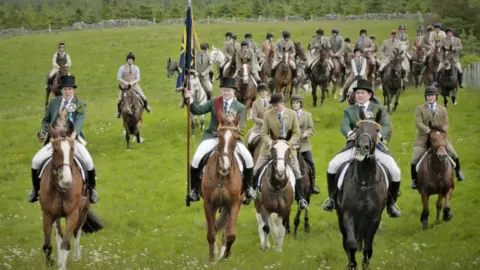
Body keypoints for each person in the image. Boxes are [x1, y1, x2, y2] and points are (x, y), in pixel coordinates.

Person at [322, 79, 401, 218]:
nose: (359, 95)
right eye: (357, 93)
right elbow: (344, 125)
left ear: (369, 95)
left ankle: (391, 204)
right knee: (332, 165)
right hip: (355, 147)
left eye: (362, 93)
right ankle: (332, 199)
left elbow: (386, 125)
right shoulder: (349, 110)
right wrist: (349, 133)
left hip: (375, 147)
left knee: (395, 171)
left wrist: (380, 135)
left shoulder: (379, 109)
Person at [184, 77, 257, 203]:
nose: (226, 93)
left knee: (248, 159)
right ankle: (194, 190)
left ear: (234, 92)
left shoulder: (240, 107)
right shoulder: (214, 101)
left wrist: (234, 129)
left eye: (228, 90)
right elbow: (198, 110)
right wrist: (189, 99)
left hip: (231, 140)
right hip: (213, 137)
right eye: (224, 90)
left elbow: (243, 126)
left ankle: (248, 188)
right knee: (196, 158)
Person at [29, 75, 99, 204]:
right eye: (65, 89)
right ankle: (35, 190)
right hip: (55, 141)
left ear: (74, 90)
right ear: (61, 90)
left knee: (88, 162)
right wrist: (43, 131)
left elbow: (79, 121)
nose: (67, 92)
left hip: (72, 140)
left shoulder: (80, 104)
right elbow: (46, 120)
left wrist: (73, 134)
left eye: (70, 89)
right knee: (35, 161)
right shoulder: (54, 102)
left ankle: (92, 190)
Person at [253, 93, 309, 210]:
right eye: (273, 105)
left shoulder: (292, 114)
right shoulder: (268, 115)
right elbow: (264, 133)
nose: (274, 108)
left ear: (282, 103)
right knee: (256, 169)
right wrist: (270, 143)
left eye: (276, 105)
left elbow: (296, 133)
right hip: (270, 148)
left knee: (297, 172)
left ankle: (300, 198)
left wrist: (288, 144)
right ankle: (252, 192)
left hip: (288, 149)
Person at [410, 85, 465, 189]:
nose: (430, 97)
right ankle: (414, 180)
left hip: (439, 139)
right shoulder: (419, 109)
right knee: (415, 159)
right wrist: (429, 131)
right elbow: (418, 123)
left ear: (436, 96)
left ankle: (458, 172)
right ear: (425, 97)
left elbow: (446, 123)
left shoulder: (443, 109)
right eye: (428, 96)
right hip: (424, 139)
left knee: (454, 154)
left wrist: (441, 133)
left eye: (432, 95)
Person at [290, 94, 320, 194]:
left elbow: (311, 129)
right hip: (292, 145)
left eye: (297, 103)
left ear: (300, 104)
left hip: (304, 145)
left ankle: (313, 184)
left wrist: (305, 134)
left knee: (311, 162)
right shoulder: (288, 115)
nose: (295, 105)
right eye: (293, 103)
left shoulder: (307, 115)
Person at [116, 52, 151, 118]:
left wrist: (132, 82)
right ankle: (118, 112)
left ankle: (146, 106)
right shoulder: (122, 68)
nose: (130, 61)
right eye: (129, 59)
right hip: (124, 87)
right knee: (119, 99)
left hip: (134, 85)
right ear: (127, 60)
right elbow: (118, 77)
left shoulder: (136, 68)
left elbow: (138, 78)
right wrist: (124, 82)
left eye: (131, 59)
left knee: (143, 96)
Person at [246, 83, 270, 153]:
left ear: (267, 92)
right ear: (259, 93)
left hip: (271, 126)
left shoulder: (271, 102)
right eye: (261, 92)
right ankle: (250, 154)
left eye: (264, 91)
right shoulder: (255, 103)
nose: (263, 93)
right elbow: (254, 117)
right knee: (250, 139)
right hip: (259, 128)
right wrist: (263, 121)